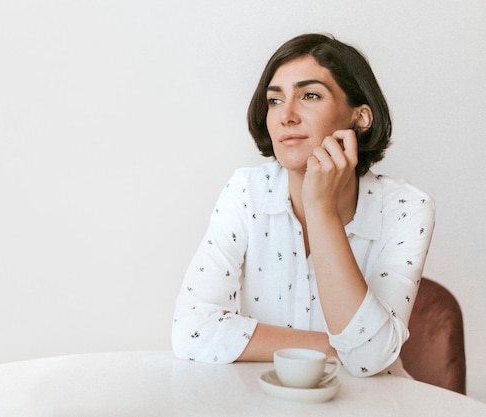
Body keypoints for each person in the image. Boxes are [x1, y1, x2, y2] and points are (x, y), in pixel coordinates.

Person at [171, 33, 435, 377]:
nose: (287, 115)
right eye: (275, 100)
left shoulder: (407, 207)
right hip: (264, 401)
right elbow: (191, 331)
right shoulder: (246, 191)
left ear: (361, 116)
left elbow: (369, 358)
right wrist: (335, 346)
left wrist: (321, 207)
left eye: (310, 95)